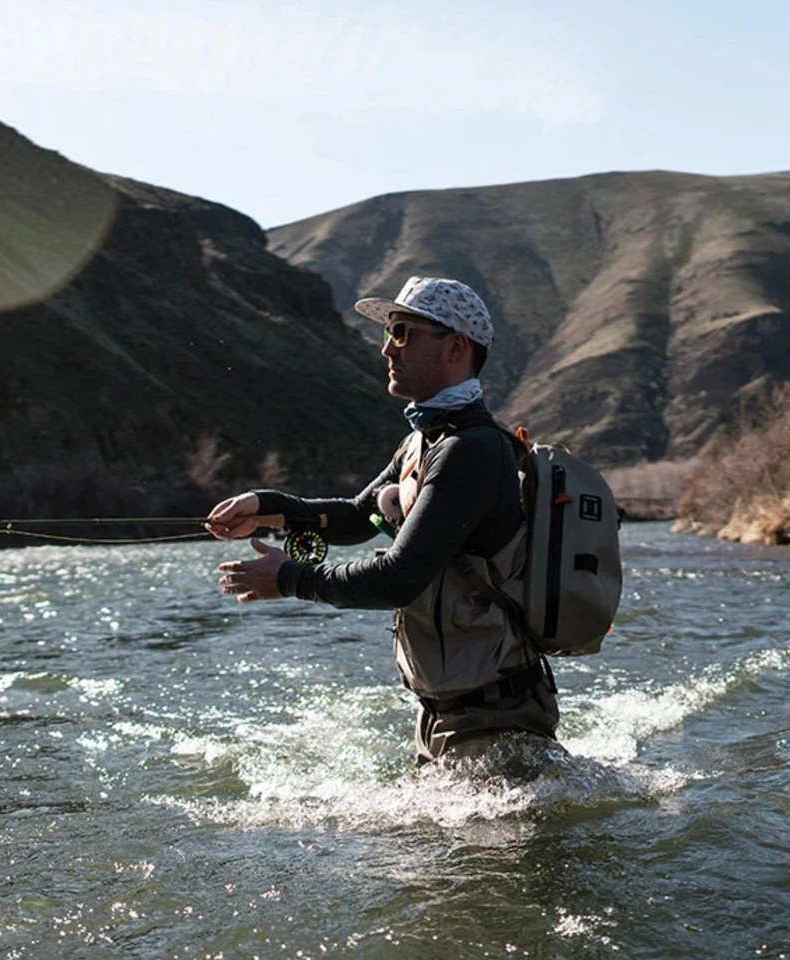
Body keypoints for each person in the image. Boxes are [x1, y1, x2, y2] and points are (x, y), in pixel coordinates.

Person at [208, 277, 559, 764]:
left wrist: (288, 579)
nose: (385, 350)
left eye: (401, 333)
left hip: (497, 720)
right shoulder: (425, 442)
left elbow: (398, 579)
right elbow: (358, 517)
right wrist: (268, 508)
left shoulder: (471, 450)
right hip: (447, 715)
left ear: (455, 347)